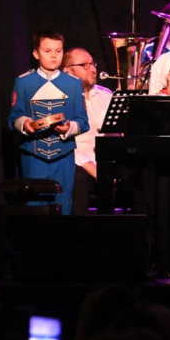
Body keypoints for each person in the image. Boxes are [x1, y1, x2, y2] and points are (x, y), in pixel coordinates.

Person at [9, 31, 90, 215]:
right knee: (34, 206)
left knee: (63, 205)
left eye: (58, 51)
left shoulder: (73, 84)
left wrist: (69, 127)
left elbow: (83, 121)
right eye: (47, 51)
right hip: (33, 156)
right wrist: (25, 124)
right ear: (36, 54)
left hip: (63, 156)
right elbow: (13, 117)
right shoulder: (23, 83)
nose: (54, 55)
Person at [62, 47, 112, 214]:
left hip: (106, 163)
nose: (92, 69)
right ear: (67, 71)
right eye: (85, 65)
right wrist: (89, 165)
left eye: (93, 64)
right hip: (79, 165)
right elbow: (63, 143)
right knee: (76, 177)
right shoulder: (60, 100)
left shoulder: (107, 96)